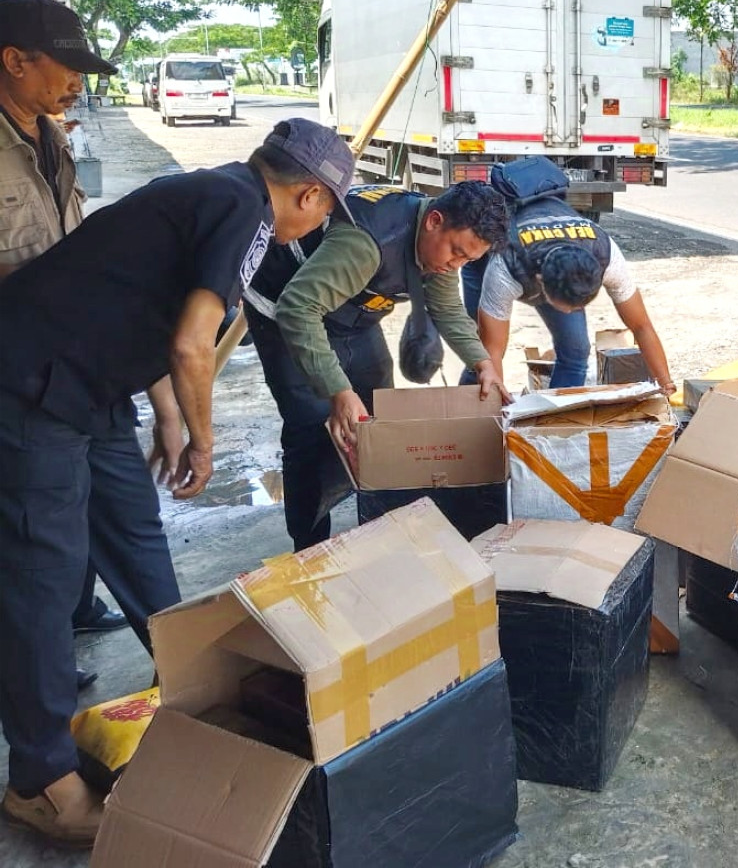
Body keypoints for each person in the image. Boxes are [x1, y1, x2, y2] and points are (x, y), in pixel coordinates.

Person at [0, 116, 350, 847]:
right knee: (43, 574)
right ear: (310, 194)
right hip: (28, 383)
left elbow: (146, 309)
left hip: (88, 386)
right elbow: (195, 343)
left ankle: (196, 680)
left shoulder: (210, 190)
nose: (316, 223)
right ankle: (40, 781)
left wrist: (165, 416)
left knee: (132, 530)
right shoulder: (245, 211)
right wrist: (203, 434)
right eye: (324, 210)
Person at [243, 180, 512, 551]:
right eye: (456, 253)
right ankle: (308, 545)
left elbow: (447, 307)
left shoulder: (440, 240)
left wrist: (483, 362)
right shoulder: (366, 243)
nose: (456, 265)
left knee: (377, 417)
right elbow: (299, 308)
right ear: (434, 221)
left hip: (351, 313)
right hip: (285, 310)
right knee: (311, 426)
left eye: (467, 260)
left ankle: (374, 519)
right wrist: (338, 391)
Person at [0, 0, 134, 688]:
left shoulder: (51, 137)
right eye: (67, 66)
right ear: (15, 61)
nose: (78, 80)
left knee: (55, 532)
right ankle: (35, 687)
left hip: (53, 368)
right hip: (10, 370)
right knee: (29, 546)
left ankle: (47, 654)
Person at [461, 159, 675, 394]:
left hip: (548, 258)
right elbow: (492, 352)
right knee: (477, 353)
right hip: (486, 254)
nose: (572, 313)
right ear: (542, 283)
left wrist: (665, 383)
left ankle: (558, 421)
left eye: (579, 306)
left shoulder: (606, 253)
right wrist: (501, 417)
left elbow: (642, 325)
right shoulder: (507, 266)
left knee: (575, 352)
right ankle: (468, 415)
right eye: (568, 307)